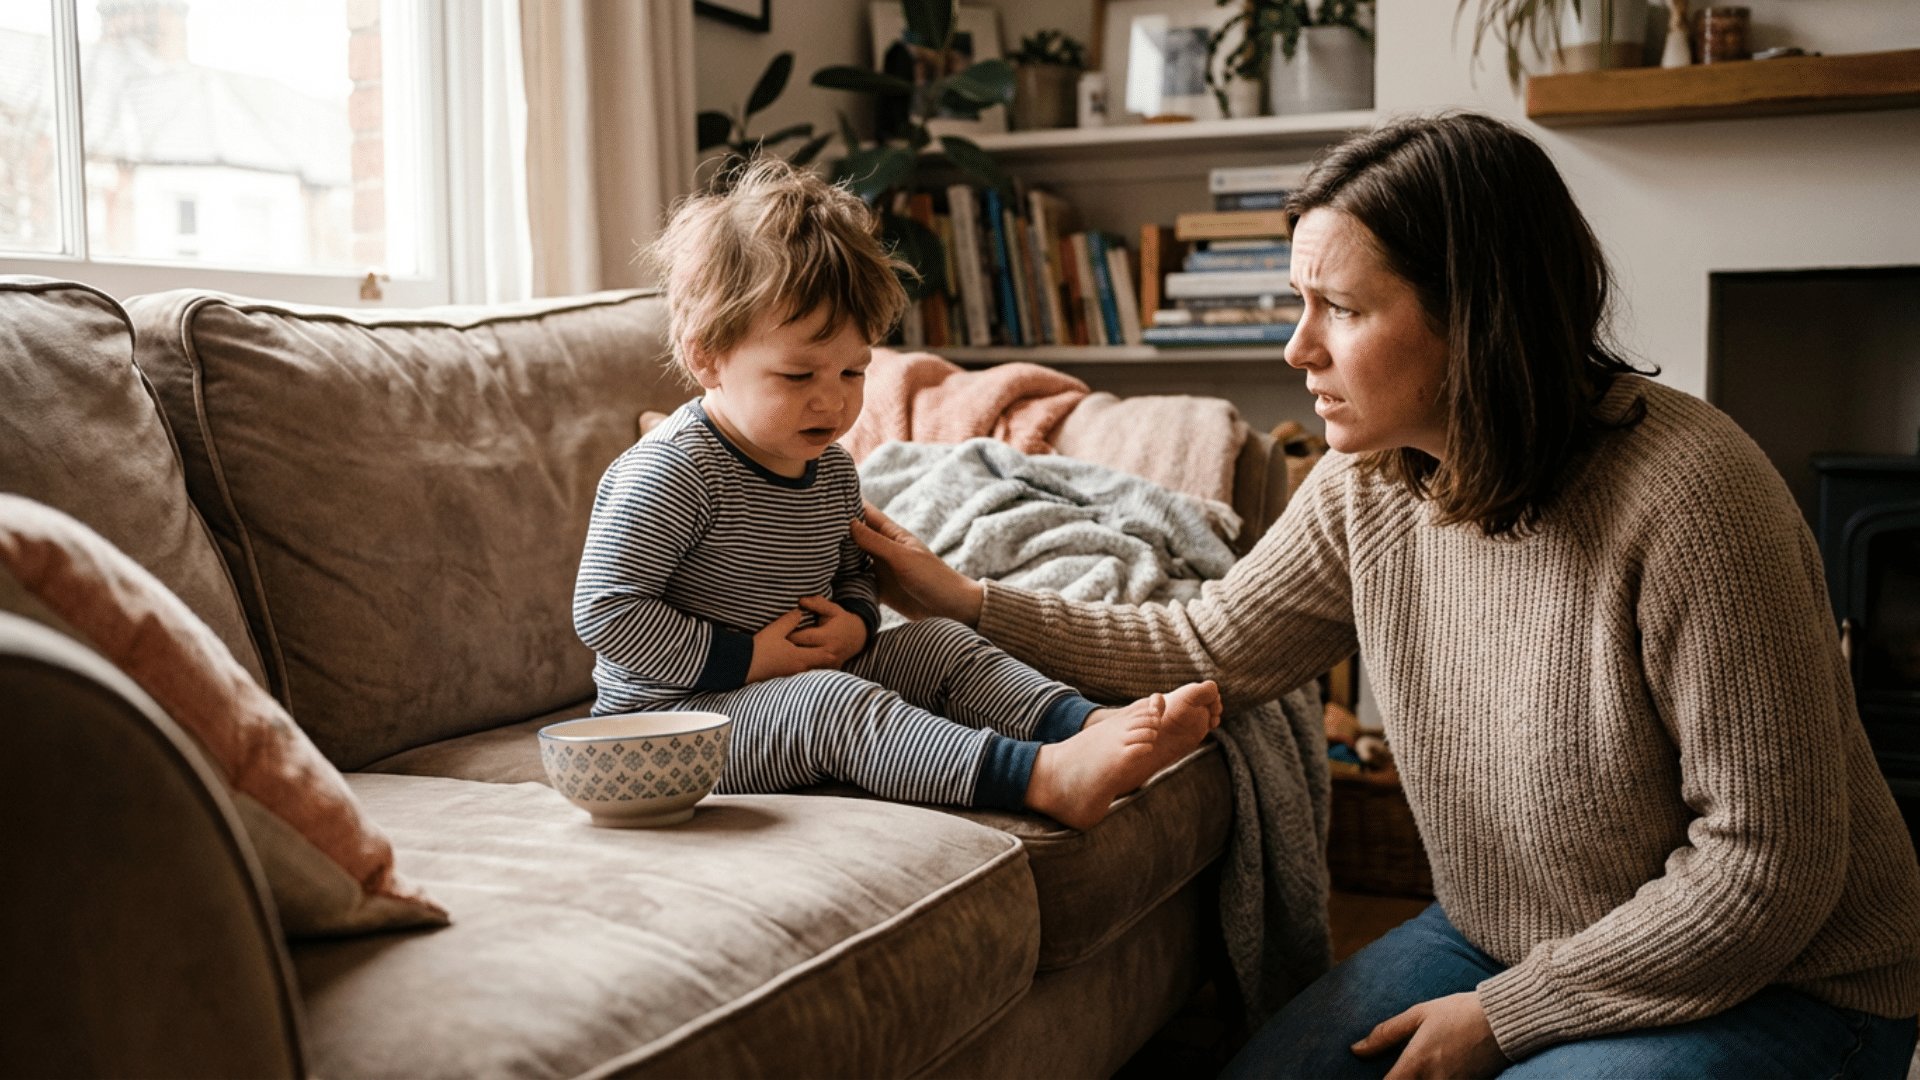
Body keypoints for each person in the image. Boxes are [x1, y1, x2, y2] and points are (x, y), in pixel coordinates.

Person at [852, 113, 1920, 1077]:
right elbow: (1207, 642)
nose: (1296, 347)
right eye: (1297, 302)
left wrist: (1508, 1016)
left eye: (1340, 309)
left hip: (1792, 982)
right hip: (1497, 933)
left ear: (1478, 318)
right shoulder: (1372, 480)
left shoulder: (1696, 496)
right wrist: (964, 602)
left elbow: (1766, 869)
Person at [572, 158, 1220, 830]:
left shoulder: (827, 467)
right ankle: (1040, 778)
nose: (833, 399)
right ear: (707, 356)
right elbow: (607, 612)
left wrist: (856, 620)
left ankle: (1088, 726)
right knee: (830, 705)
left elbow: (853, 572)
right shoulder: (674, 472)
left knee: (938, 642)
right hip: (672, 725)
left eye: (854, 370)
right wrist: (750, 657)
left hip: (780, 680)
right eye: (797, 375)